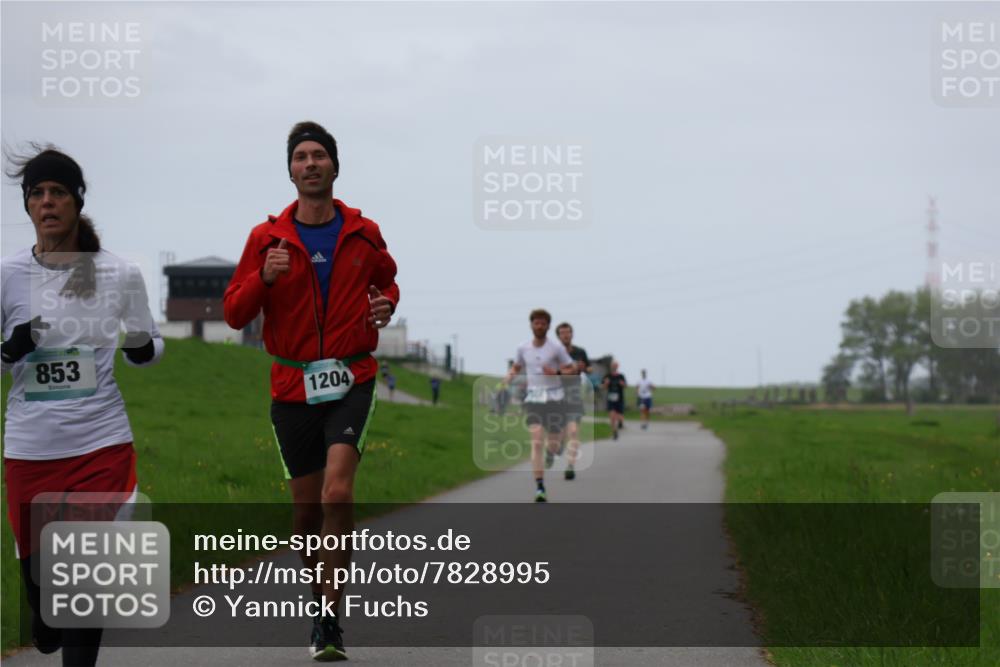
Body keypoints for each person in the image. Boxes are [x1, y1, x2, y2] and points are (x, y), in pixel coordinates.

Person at [223, 121, 399, 662]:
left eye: (319, 155)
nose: (310, 163)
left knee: (337, 495)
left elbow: (388, 280)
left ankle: (329, 619)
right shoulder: (266, 239)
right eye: (300, 157)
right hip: (291, 383)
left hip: (351, 377)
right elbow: (234, 313)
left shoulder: (363, 232)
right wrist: (265, 279)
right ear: (291, 171)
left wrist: (386, 304)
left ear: (334, 166)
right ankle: (318, 596)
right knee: (305, 515)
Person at [2, 146, 164, 667]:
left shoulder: (118, 273)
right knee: (45, 599)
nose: (48, 203)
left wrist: (141, 348)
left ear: (77, 203)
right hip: (30, 448)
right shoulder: (7, 276)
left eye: (58, 193)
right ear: (28, 207)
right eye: (38, 194)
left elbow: (150, 345)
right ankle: (40, 610)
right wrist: (11, 349)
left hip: (101, 443)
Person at [504, 309, 576, 502]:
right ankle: (540, 487)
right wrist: (509, 377)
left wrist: (557, 374)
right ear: (531, 325)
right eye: (536, 323)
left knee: (552, 443)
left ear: (548, 326)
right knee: (536, 440)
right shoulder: (523, 347)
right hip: (534, 398)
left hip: (554, 398)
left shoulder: (556, 348)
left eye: (543, 323)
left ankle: (552, 451)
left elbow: (572, 369)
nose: (539, 326)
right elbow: (517, 366)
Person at [554, 322, 591, 480]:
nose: (566, 335)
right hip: (557, 394)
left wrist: (584, 368)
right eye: (562, 333)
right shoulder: (554, 353)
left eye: (568, 332)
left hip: (574, 394)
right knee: (559, 433)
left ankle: (570, 466)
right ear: (558, 336)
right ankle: (559, 446)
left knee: (574, 431)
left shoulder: (580, 351)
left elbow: (589, 369)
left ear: (572, 334)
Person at [602, 361, 627, 440]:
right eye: (613, 365)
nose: (614, 367)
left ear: (618, 366)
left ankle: (620, 422)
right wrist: (606, 383)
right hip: (611, 399)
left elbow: (625, 386)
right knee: (612, 416)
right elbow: (603, 387)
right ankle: (614, 432)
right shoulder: (607, 376)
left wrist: (622, 384)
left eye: (616, 365)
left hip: (620, 399)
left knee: (620, 416)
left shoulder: (621, 376)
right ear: (611, 366)